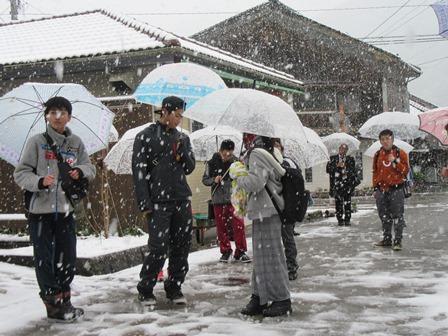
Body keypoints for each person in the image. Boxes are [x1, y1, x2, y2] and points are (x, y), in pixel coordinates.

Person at [13, 96, 96, 322]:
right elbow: (20, 174)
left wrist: (80, 170)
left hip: (67, 210)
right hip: (40, 212)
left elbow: (91, 167)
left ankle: (65, 299)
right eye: (52, 112)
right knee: (45, 258)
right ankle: (53, 305)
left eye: (62, 112)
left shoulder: (76, 143)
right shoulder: (36, 142)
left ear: (69, 116)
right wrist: (40, 182)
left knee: (67, 257)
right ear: (46, 116)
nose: (57, 116)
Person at [132, 96, 195, 306]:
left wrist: (182, 150)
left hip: (182, 199)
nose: (179, 120)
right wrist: (145, 202)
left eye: (181, 116)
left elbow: (189, 167)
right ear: (165, 112)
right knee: (158, 247)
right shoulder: (145, 136)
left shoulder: (182, 138)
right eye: (176, 115)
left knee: (182, 246)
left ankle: (175, 286)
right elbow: (139, 171)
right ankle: (146, 287)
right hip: (158, 201)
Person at [232, 136, 292, 317]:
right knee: (262, 257)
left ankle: (282, 299)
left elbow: (256, 182)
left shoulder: (257, 153)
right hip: (267, 210)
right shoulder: (271, 151)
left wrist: (238, 175)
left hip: (266, 210)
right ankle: (259, 297)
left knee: (271, 256)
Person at [202, 139, 251, 263]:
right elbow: (205, 179)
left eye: (230, 153)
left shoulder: (236, 162)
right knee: (221, 227)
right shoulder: (212, 163)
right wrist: (214, 179)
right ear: (220, 151)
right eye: (225, 154)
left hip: (234, 199)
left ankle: (240, 251)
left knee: (238, 226)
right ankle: (225, 251)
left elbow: (243, 176)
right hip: (218, 200)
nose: (227, 156)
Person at [372, 129, 410, 250]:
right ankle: (387, 238)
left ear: (392, 139)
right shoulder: (377, 155)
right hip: (381, 190)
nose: (385, 141)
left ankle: (398, 240)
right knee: (384, 216)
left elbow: (405, 170)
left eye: (387, 138)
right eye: (382, 139)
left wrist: (395, 161)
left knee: (397, 215)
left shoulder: (399, 153)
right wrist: (375, 187)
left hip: (396, 189)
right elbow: (375, 172)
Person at [274, 139, 299, 281]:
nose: (276, 149)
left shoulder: (288, 163)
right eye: (273, 146)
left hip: (287, 207)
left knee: (287, 238)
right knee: (274, 240)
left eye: (278, 146)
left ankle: (292, 267)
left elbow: (297, 184)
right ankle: (277, 267)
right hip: (272, 207)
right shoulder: (267, 163)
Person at [326, 143, 359, 226]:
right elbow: (328, 170)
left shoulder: (350, 159)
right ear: (339, 149)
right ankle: (340, 219)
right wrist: (336, 166)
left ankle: (347, 219)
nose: (343, 150)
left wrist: (346, 168)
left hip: (347, 184)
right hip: (337, 184)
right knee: (338, 203)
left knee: (347, 203)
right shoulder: (333, 159)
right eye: (341, 148)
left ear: (347, 151)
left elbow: (353, 171)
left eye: (345, 149)